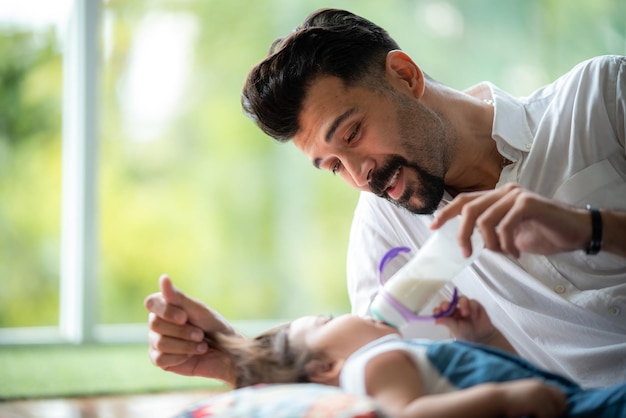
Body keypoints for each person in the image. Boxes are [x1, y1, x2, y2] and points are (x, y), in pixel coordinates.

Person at [147, 8, 626, 388]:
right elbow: (361, 375)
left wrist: (589, 228)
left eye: (353, 134)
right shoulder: (385, 230)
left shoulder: (603, 99)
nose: (360, 176)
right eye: (334, 166)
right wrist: (235, 357)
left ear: (405, 75)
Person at [197, 287, 624, 418]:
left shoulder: (390, 357)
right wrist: (503, 399)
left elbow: (507, 373)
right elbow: (407, 417)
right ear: (326, 366)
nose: (349, 314)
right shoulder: (372, 362)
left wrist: (482, 338)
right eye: (328, 321)